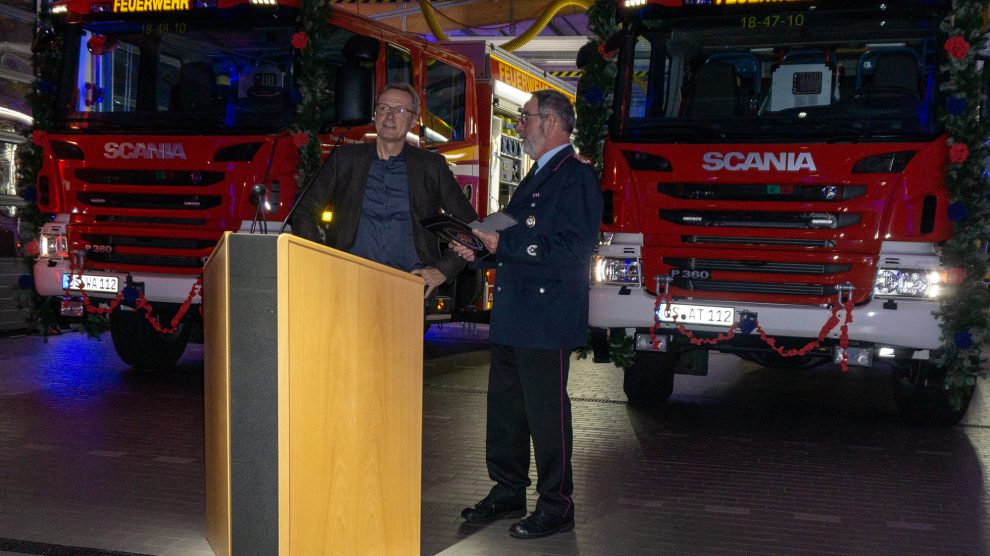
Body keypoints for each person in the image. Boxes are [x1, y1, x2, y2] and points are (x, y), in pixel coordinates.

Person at [452, 89, 602, 539]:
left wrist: (507, 244)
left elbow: (576, 248)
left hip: (547, 316)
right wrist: (477, 246)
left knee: (546, 415)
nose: (520, 125)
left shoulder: (575, 177)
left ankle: (557, 503)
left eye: (526, 117)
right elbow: (513, 228)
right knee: (506, 410)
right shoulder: (540, 173)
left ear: (552, 121)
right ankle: (508, 489)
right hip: (517, 312)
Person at [291, 82, 478, 297]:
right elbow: (304, 208)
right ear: (375, 114)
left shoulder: (430, 166)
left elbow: (470, 223)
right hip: (349, 284)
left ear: (413, 120)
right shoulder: (346, 159)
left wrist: (443, 270)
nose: (389, 117)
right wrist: (322, 258)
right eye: (383, 108)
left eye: (399, 110)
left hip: (410, 286)